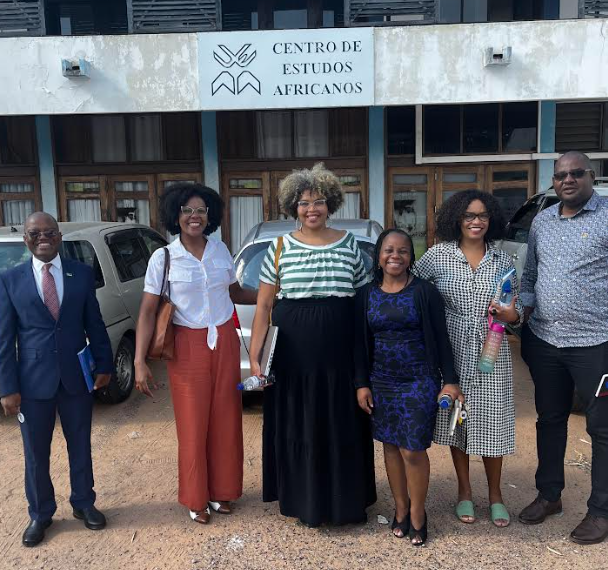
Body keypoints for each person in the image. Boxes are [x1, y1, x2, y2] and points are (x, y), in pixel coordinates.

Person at [249, 163, 376, 528]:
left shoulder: (349, 244)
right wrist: (256, 358)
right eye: (304, 203)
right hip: (293, 356)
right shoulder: (278, 247)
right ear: (293, 207)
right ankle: (304, 500)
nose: (311, 209)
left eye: (318, 201)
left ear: (331, 204)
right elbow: (263, 306)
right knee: (299, 423)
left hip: (340, 352)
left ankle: (345, 502)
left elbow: (363, 301)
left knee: (342, 421)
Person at [134, 183, 256, 525]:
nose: (194, 216)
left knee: (226, 419)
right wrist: (139, 360)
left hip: (225, 342)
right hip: (187, 347)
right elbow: (147, 311)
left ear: (210, 215)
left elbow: (235, 292)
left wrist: (270, 295)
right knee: (193, 424)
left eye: (201, 210)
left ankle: (222, 492)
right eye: (187, 210)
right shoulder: (164, 257)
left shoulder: (220, 250)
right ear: (176, 215)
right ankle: (195, 497)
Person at [0, 212, 113, 547]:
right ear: (26, 240)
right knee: (36, 453)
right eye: (36, 233)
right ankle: (40, 512)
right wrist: (7, 387)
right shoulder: (11, 280)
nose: (43, 238)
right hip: (32, 382)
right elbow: (5, 339)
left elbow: (95, 323)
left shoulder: (79, 274)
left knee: (80, 443)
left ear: (60, 237)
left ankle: (84, 503)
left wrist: (104, 364)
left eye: (50, 232)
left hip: (76, 378)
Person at [414, 190, 522, 528]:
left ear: (491, 219)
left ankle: (495, 495)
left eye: (482, 216)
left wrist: (511, 315)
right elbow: (412, 289)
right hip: (452, 347)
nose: (476, 222)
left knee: (493, 418)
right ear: (456, 219)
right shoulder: (437, 256)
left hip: (492, 346)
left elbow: (514, 310)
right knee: (458, 419)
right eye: (469, 216)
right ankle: (464, 491)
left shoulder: (502, 260)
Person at [518, 151, 608, 545]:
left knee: (602, 428)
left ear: (592, 175)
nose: (567, 180)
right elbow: (531, 275)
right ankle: (549, 494)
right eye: (560, 176)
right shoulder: (543, 220)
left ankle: (601, 510)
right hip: (545, 341)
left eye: (575, 174)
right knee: (550, 419)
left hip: (596, 343)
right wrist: (519, 311)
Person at [354, 229, 462, 546]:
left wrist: (450, 380)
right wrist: (361, 384)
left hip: (419, 379)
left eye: (403, 251)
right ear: (378, 256)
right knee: (389, 445)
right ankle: (400, 509)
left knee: (412, 449)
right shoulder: (365, 295)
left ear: (410, 257)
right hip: (381, 380)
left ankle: (418, 512)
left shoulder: (424, 292)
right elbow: (359, 346)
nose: (395, 256)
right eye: (389, 250)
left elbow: (442, 339)